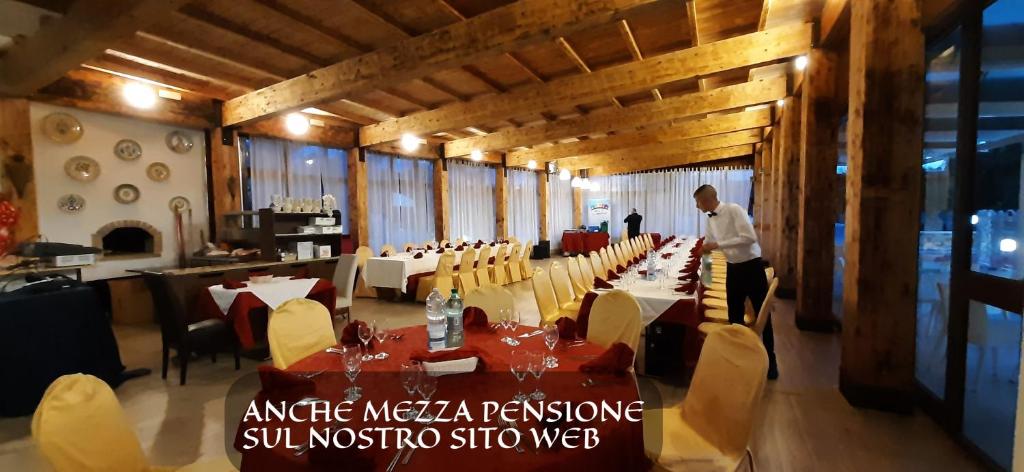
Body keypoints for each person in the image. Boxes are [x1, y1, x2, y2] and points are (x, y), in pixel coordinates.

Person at [693, 184, 778, 379]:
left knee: (762, 316)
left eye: (698, 202)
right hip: (733, 268)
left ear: (706, 200)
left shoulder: (734, 210)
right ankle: (737, 359)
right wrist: (706, 277)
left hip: (752, 266)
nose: (697, 206)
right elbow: (708, 246)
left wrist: (718, 244)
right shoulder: (710, 219)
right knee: (734, 316)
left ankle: (771, 362)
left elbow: (749, 237)